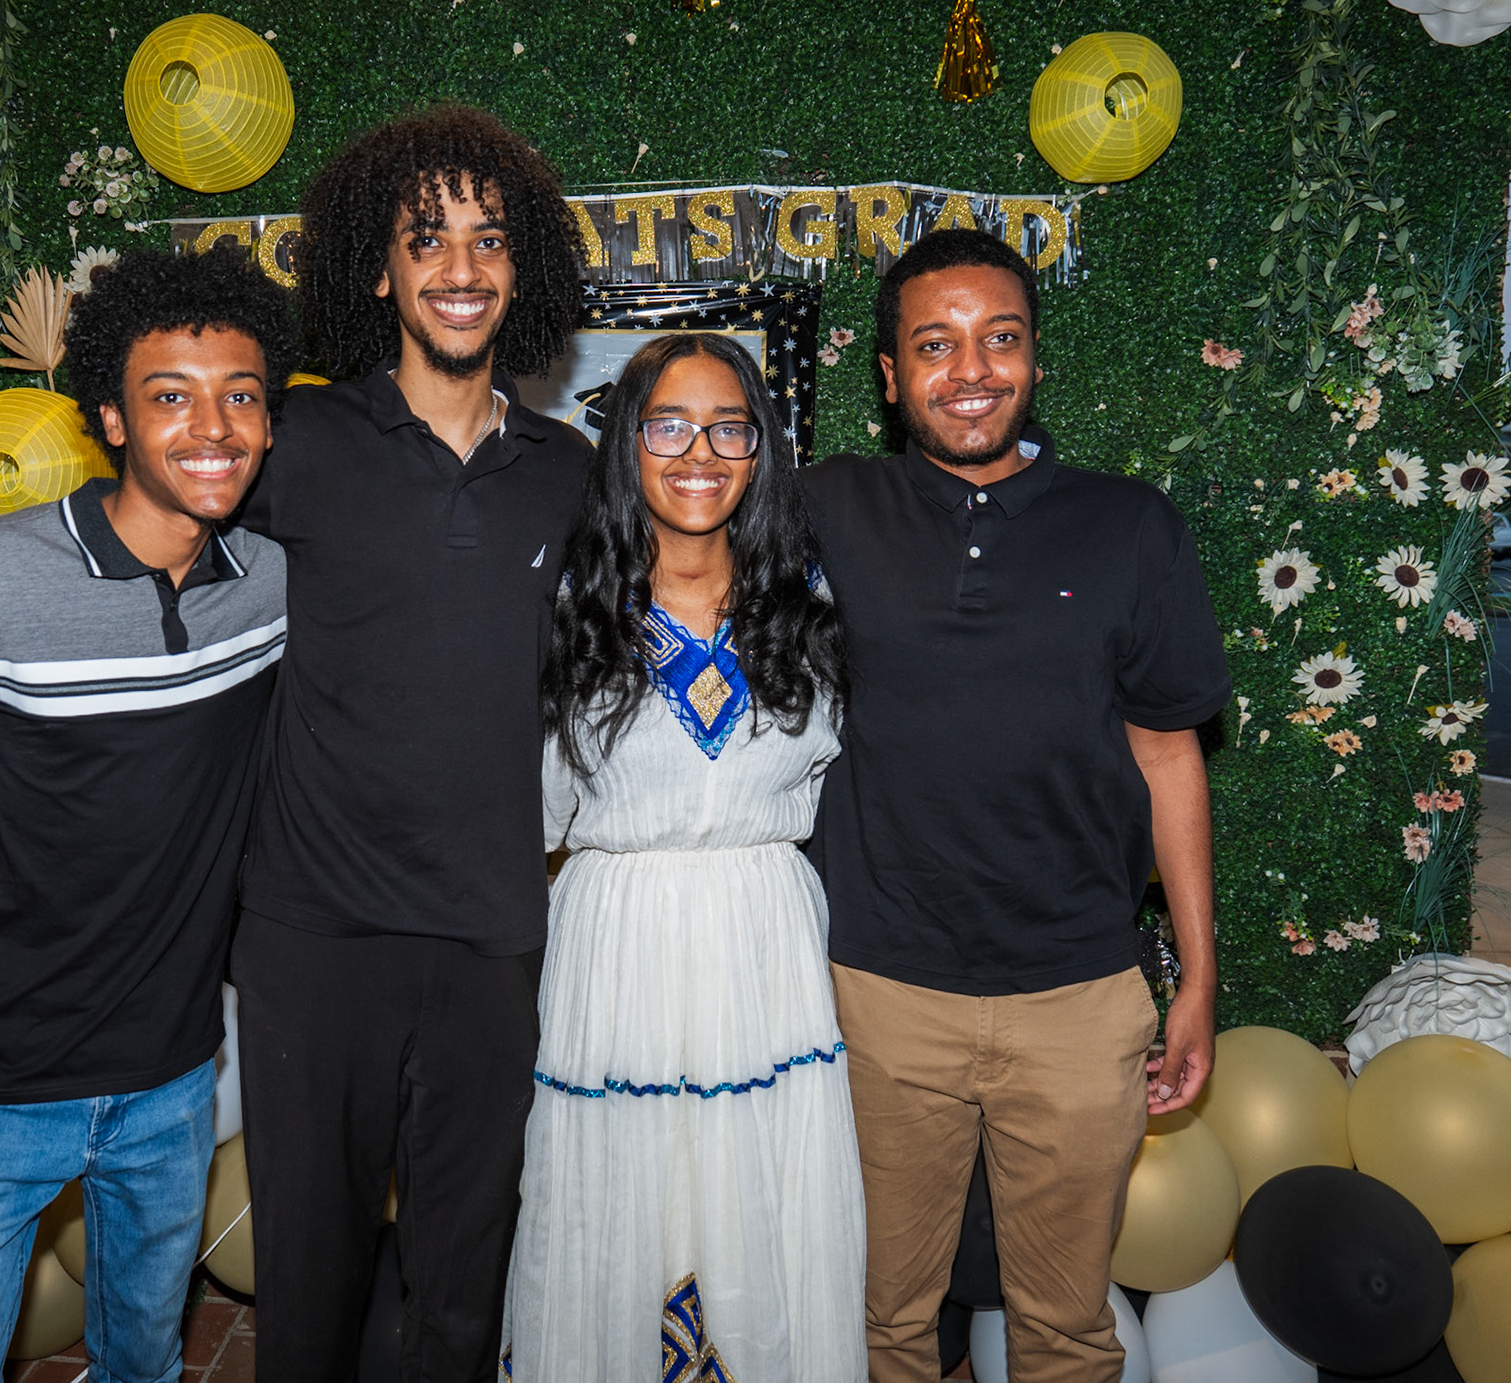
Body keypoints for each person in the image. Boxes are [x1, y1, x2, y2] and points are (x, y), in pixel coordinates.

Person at [0, 104, 593, 1382]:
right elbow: (152, 487)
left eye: (489, 239)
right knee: (311, 1282)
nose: (461, 266)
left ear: (522, 267)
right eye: (426, 238)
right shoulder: (296, 439)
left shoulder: (567, 470)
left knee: (465, 1275)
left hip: (493, 932)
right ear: (378, 272)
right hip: (313, 938)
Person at [0, 244, 293, 1382]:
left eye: (241, 396)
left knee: (143, 1366)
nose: (213, 427)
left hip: (172, 1075)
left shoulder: (276, 584)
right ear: (112, 419)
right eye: (171, 397)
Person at [803, 227, 1229, 1383]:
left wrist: (1197, 978)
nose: (971, 371)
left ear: (1035, 357)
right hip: (878, 992)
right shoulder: (826, 510)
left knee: (1066, 1331)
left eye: (999, 338)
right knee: (880, 1324)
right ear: (890, 375)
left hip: (1079, 997)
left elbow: (1170, 758)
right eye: (934, 345)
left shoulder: (1129, 526)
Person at [504, 334, 866, 1381]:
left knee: (765, 1195)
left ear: (761, 450)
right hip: (615, 944)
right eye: (669, 426)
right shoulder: (570, 607)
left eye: (728, 428)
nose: (698, 452)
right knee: (615, 1206)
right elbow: (530, 814)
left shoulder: (814, 607)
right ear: (627, 443)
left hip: (766, 945)